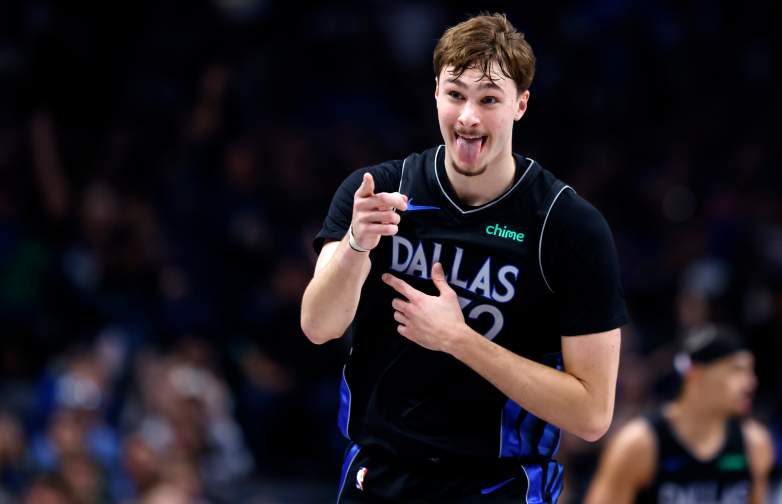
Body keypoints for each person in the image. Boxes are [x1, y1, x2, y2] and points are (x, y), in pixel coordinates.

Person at [301, 12, 628, 503]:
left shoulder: (568, 227)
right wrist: (355, 246)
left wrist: (459, 340)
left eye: (489, 99)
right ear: (436, 93)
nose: (468, 116)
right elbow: (317, 326)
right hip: (380, 476)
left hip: (500, 483)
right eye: (455, 94)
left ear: (520, 105)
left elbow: (592, 413)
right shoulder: (377, 192)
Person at [584, 326, 774, 504]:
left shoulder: (755, 444)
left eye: (750, 371)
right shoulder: (638, 444)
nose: (750, 383)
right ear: (695, 372)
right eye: (737, 370)